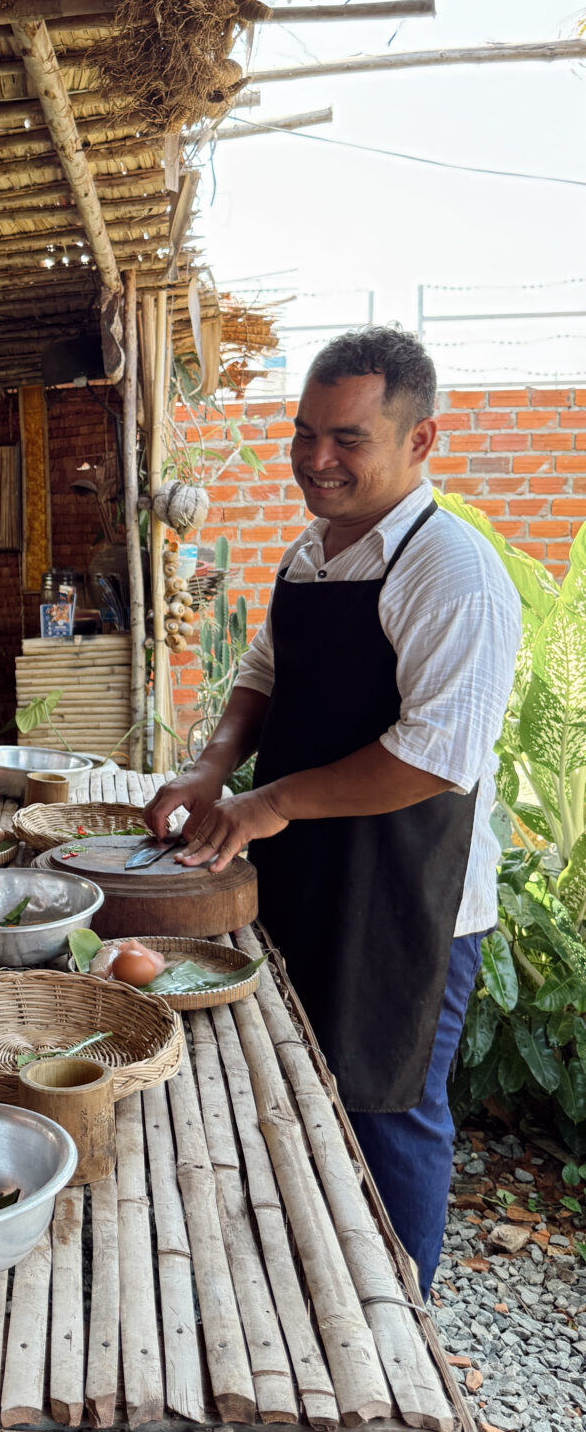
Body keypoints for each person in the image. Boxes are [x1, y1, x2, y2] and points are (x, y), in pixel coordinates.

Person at [145, 328, 519, 1299]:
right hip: (303, 869)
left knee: (384, 1105)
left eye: (346, 439)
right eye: (303, 432)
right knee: (298, 1086)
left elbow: (436, 758)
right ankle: (312, 1301)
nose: (315, 459)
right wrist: (210, 768)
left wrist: (268, 801)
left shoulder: (451, 571)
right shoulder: (309, 553)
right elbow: (260, 677)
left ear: (420, 438)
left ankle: (401, 1334)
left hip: (408, 893)